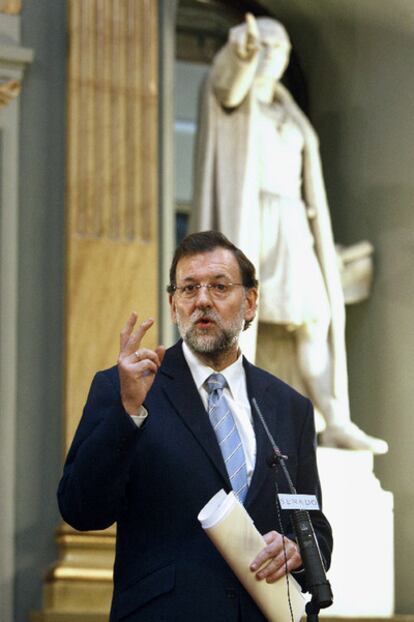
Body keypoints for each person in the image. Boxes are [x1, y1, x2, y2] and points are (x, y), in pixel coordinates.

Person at [58, 231, 332, 622]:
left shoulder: (290, 407)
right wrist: (127, 412)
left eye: (219, 287)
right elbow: (80, 509)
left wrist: (299, 549)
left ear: (250, 302)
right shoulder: (126, 388)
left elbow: (314, 525)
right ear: (174, 305)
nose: (202, 300)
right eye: (189, 289)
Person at [193, 13, 387, 454]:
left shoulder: (288, 111)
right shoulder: (235, 103)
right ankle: (239, 416)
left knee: (314, 318)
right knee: (241, 321)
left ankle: (335, 418)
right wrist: (241, 50)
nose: (272, 57)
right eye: (265, 48)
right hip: (251, 220)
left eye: (280, 51)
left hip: (293, 224)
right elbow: (227, 82)